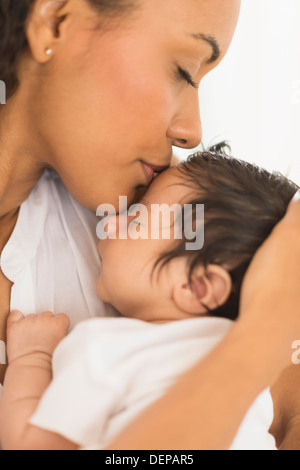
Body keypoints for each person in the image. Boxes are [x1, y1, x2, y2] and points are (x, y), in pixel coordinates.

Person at [0, 0, 300, 450]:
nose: (192, 131)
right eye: (183, 70)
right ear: (55, 21)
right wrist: (263, 332)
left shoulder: (175, 216)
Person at [0, 150, 299, 450]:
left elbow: (30, 445)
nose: (111, 222)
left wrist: (33, 358)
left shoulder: (108, 350)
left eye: (135, 218)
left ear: (197, 286)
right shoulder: (256, 392)